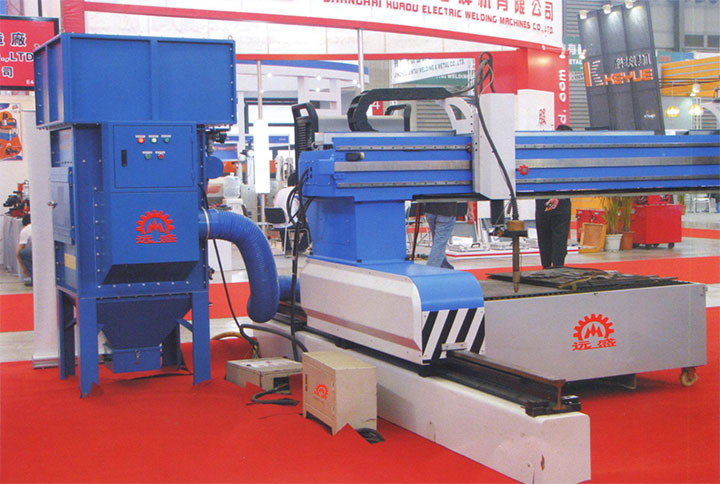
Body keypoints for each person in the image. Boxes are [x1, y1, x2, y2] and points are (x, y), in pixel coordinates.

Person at [535, 124, 573, 269]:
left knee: (554, 236)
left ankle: (553, 266)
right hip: (548, 199)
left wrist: (557, 196)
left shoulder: (551, 153)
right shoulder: (551, 153)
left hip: (555, 200)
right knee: (550, 235)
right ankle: (552, 267)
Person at [272, 171, 309, 253]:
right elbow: (305, 205)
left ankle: (287, 248)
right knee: (312, 228)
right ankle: (300, 249)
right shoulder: (296, 192)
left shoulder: (280, 191)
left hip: (276, 222)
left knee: (283, 220)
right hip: (289, 222)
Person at [424, 202, 460, 269]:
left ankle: (444, 266)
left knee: (437, 242)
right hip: (447, 211)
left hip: (430, 210)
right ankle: (431, 269)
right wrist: (470, 209)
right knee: (439, 243)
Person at [16, 214, 32, 286]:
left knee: (23, 253)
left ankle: (31, 277)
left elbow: (18, 252)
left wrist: (24, 271)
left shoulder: (26, 230)